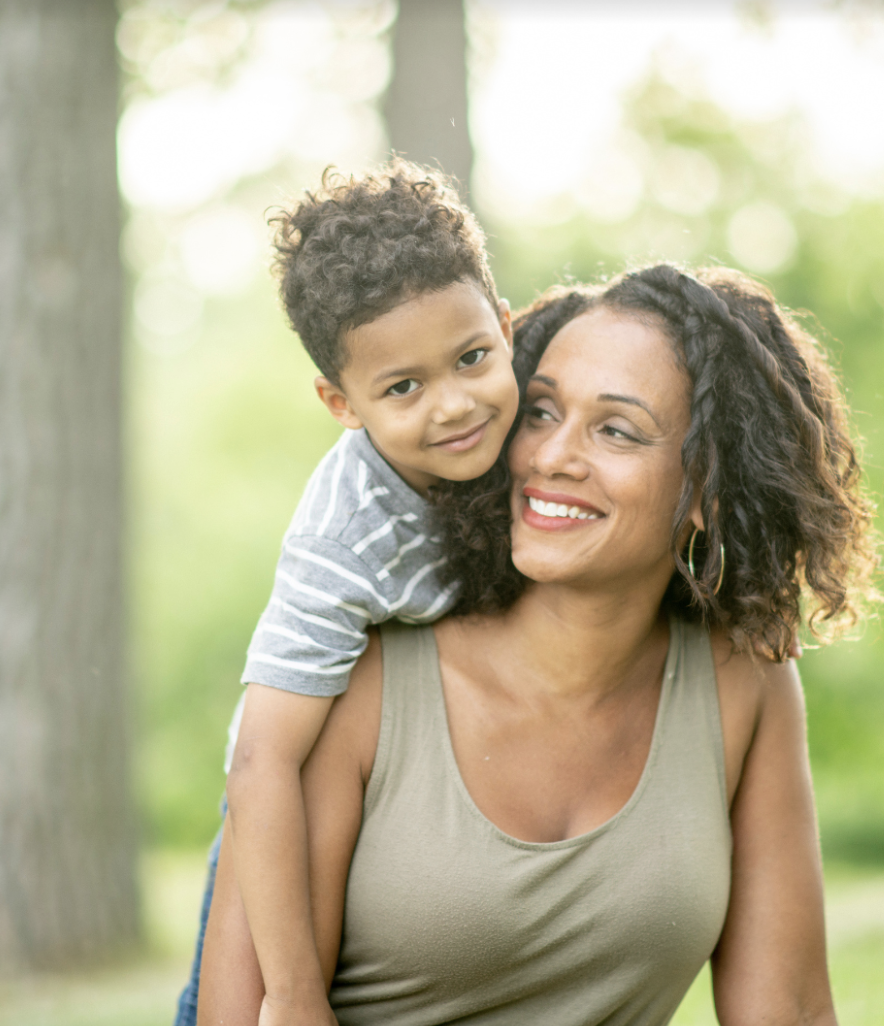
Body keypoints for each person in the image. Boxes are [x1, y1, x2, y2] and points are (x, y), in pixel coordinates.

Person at [197, 264, 880, 1026]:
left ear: (707, 490)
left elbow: (788, 1011)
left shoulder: (742, 680)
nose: (551, 457)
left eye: (616, 430)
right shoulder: (363, 677)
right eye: (542, 411)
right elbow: (246, 1009)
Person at [174, 159, 521, 1026]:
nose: (454, 405)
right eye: (403, 388)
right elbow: (262, 761)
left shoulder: (535, 421)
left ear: (507, 328)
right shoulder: (343, 539)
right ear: (341, 402)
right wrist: (292, 994)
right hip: (281, 804)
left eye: (472, 358)